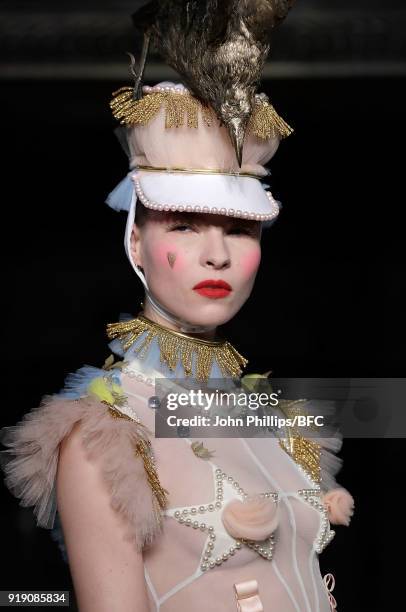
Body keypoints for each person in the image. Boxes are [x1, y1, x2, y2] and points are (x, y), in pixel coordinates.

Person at [0, 78, 354, 611]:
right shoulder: (108, 435)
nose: (217, 255)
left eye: (240, 229)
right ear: (136, 243)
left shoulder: (268, 415)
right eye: (185, 225)